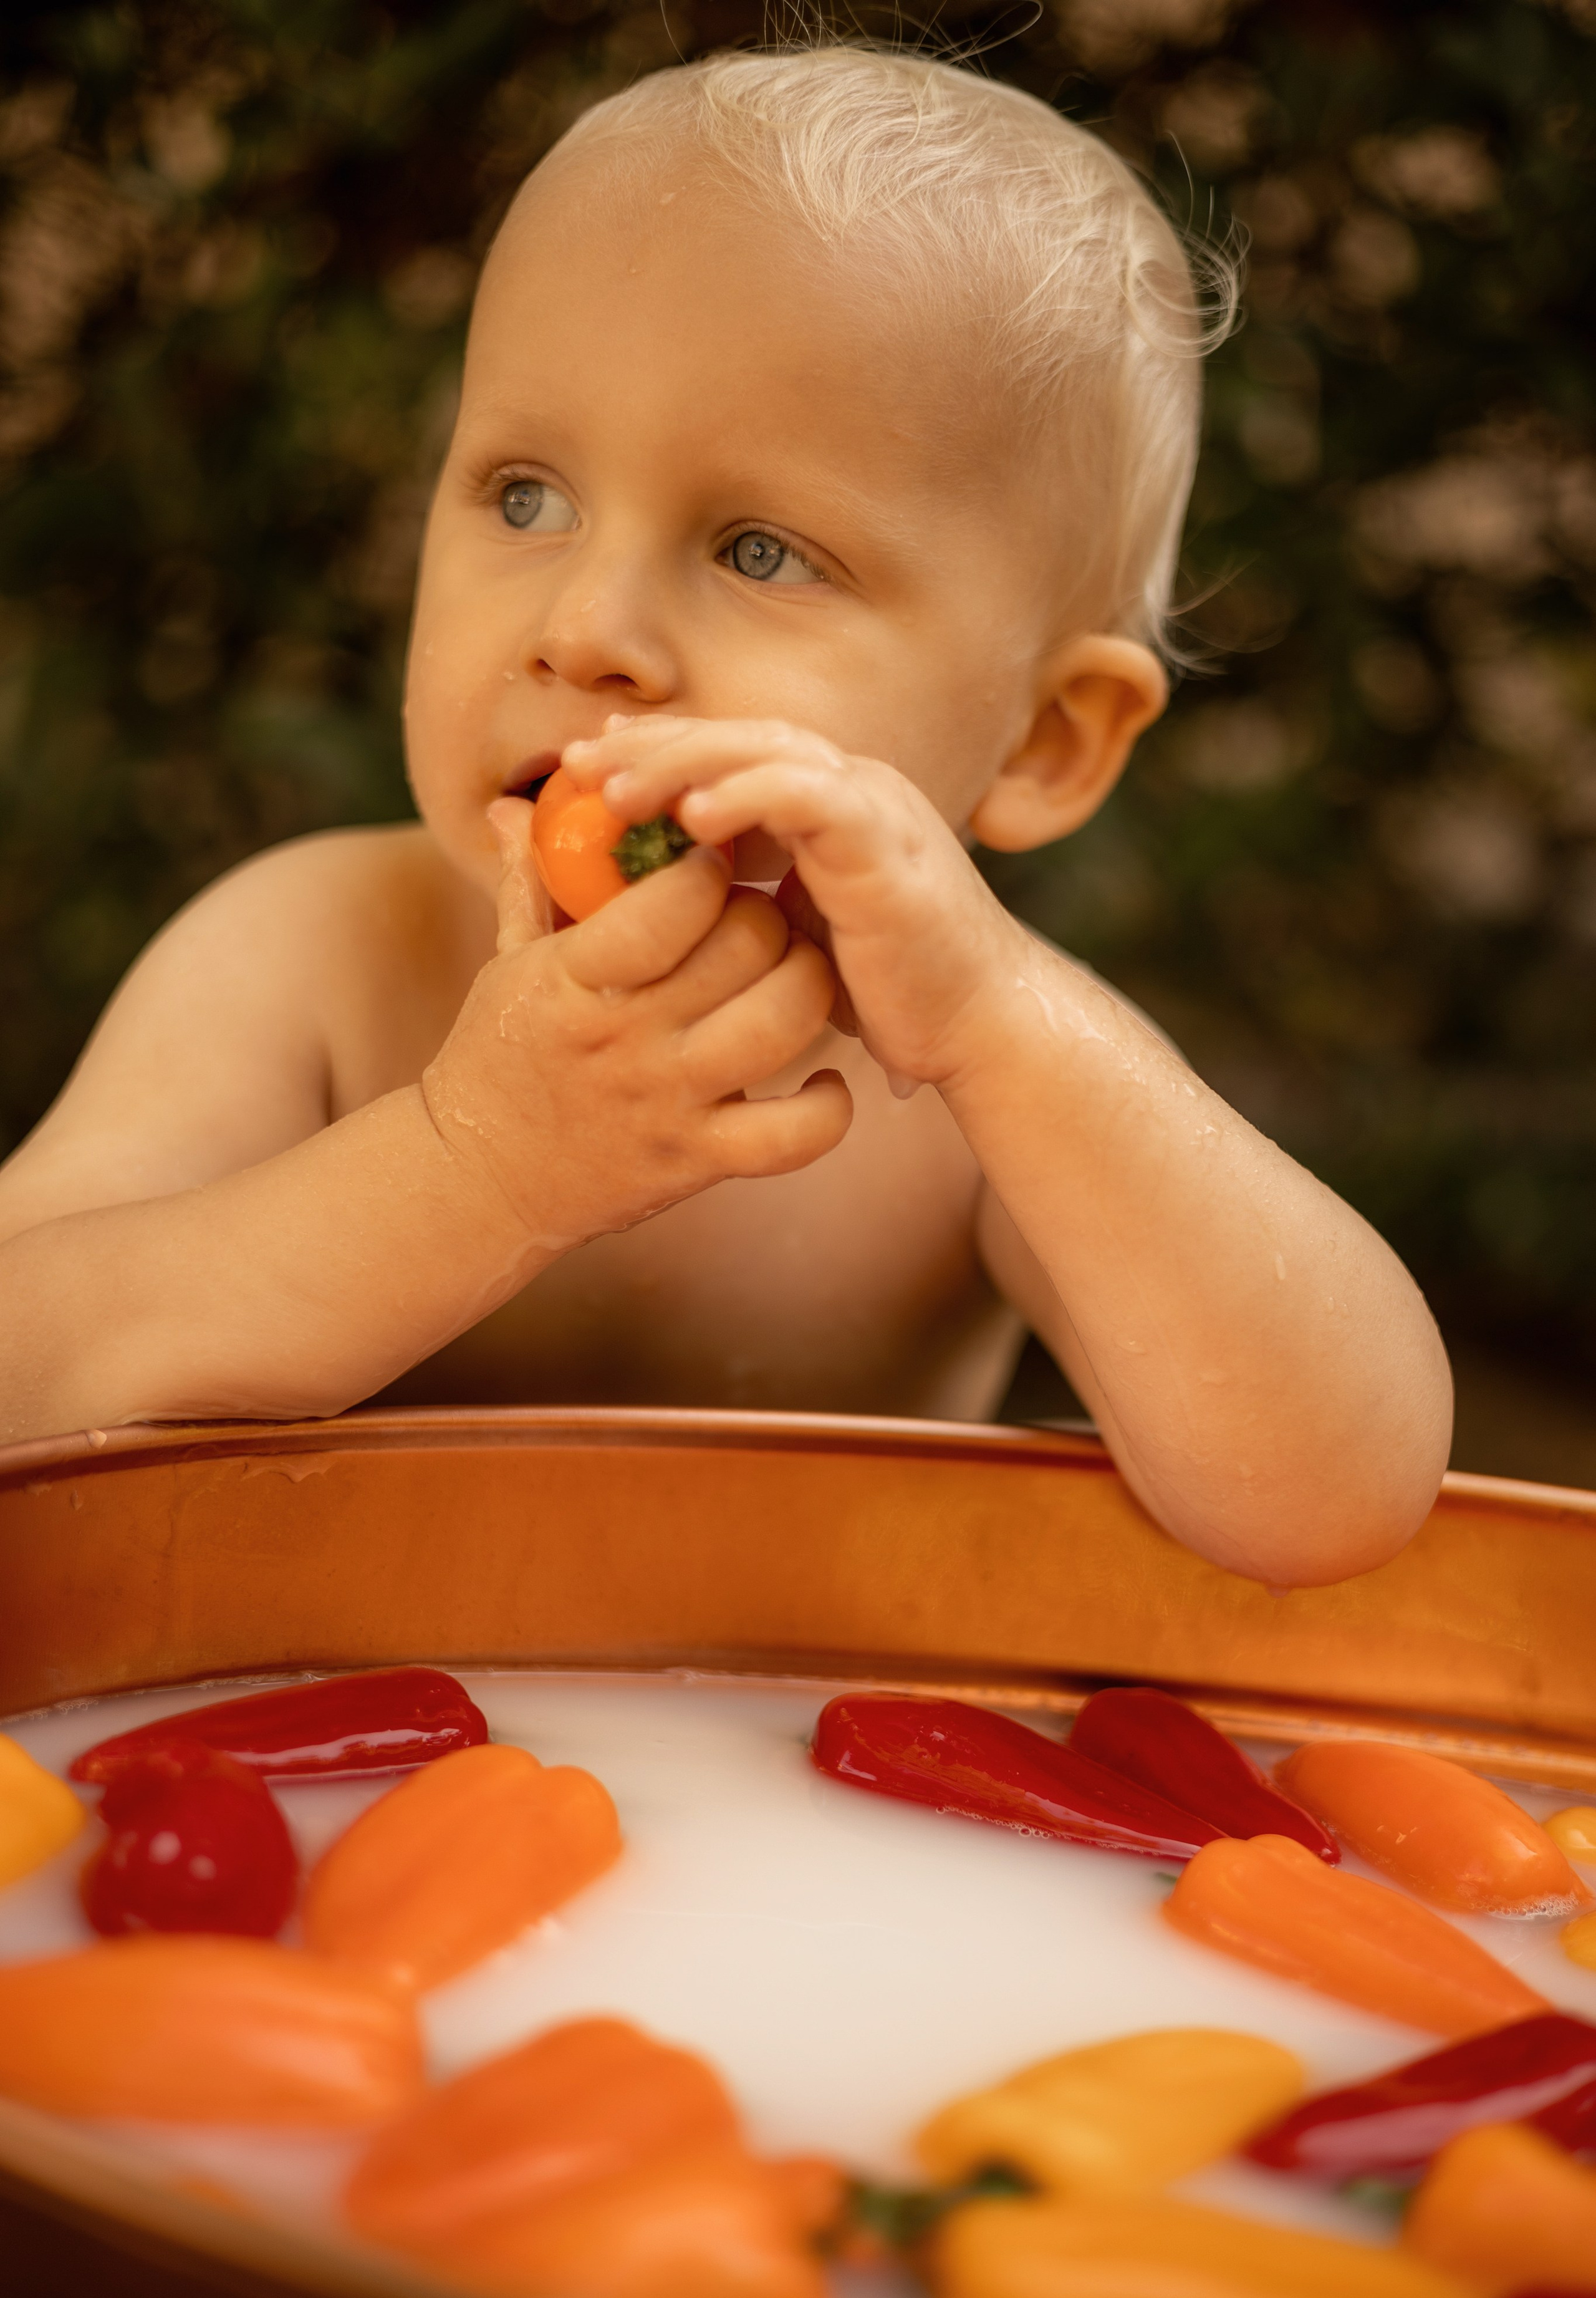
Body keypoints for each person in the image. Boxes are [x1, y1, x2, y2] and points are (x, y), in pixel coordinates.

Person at [0, 47, 1451, 1585]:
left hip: (785, 1805)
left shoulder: (990, 1086)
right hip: (287, 1775)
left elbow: (1334, 1504)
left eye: (760, 550)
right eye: (523, 496)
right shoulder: (308, 959)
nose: (585, 623)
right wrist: (470, 1168)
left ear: (1038, 741)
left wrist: (1003, 1025)